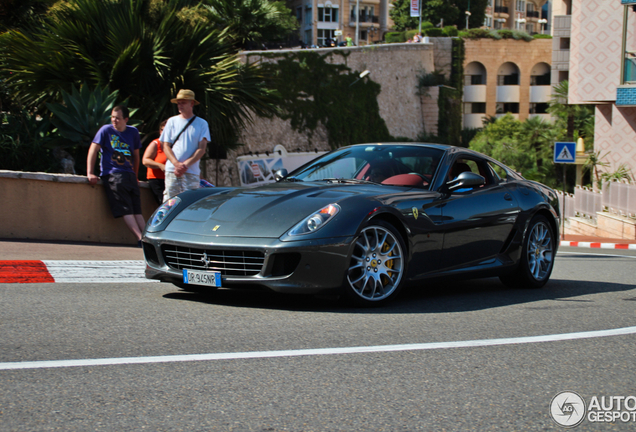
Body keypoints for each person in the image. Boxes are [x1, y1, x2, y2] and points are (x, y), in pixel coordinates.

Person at [87, 105, 145, 245]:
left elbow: (136, 156)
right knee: (129, 209)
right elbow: (93, 150)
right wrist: (90, 172)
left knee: (134, 210)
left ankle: (143, 239)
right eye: (112, 117)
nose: (114, 120)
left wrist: (135, 175)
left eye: (118, 118)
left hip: (128, 175)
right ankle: (142, 238)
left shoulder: (133, 132)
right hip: (114, 174)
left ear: (126, 119)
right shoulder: (106, 130)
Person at [160, 89, 211, 201]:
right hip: (172, 171)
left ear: (191, 103)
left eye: (183, 102)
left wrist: (185, 165)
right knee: (170, 203)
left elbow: (201, 149)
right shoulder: (171, 121)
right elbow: (166, 145)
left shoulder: (201, 123)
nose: (180, 105)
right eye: (179, 103)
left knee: (191, 203)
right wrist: (176, 164)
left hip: (191, 171)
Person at [142, 119, 168, 204]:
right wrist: (160, 165)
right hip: (157, 180)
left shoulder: (176, 145)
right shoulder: (155, 144)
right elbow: (145, 160)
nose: (164, 133)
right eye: (162, 130)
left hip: (172, 179)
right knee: (164, 204)